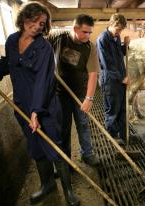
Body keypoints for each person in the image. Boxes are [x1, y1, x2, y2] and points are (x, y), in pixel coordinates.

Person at [0, 2, 80, 206]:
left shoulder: (43, 47)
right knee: (36, 147)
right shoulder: (11, 41)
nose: (37, 26)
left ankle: (68, 190)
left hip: (45, 109)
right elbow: (7, 61)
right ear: (24, 18)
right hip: (22, 107)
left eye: (42, 23)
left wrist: (37, 111)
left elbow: (43, 82)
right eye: (34, 20)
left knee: (55, 147)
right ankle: (47, 185)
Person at [47, 14, 100, 166]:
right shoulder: (58, 38)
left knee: (83, 124)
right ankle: (65, 160)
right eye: (85, 32)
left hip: (80, 93)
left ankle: (87, 154)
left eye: (90, 32)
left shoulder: (90, 47)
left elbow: (93, 74)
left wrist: (89, 98)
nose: (89, 35)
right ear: (75, 28)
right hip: (60, 94)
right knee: (63, 128)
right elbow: (39, 45)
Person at [96, 13, 130, 144]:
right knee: (112, 110)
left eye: (121, 30)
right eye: (118, 29)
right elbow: (106, 63)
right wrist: (122, 78)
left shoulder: (116, 37)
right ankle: (111, 137)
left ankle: (123, 134)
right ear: (111, 25)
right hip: (110, 81)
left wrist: (125, 46)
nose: (119, 32)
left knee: (122, 108)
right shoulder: (102, 39)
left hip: (120, 78)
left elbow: (120, 54)